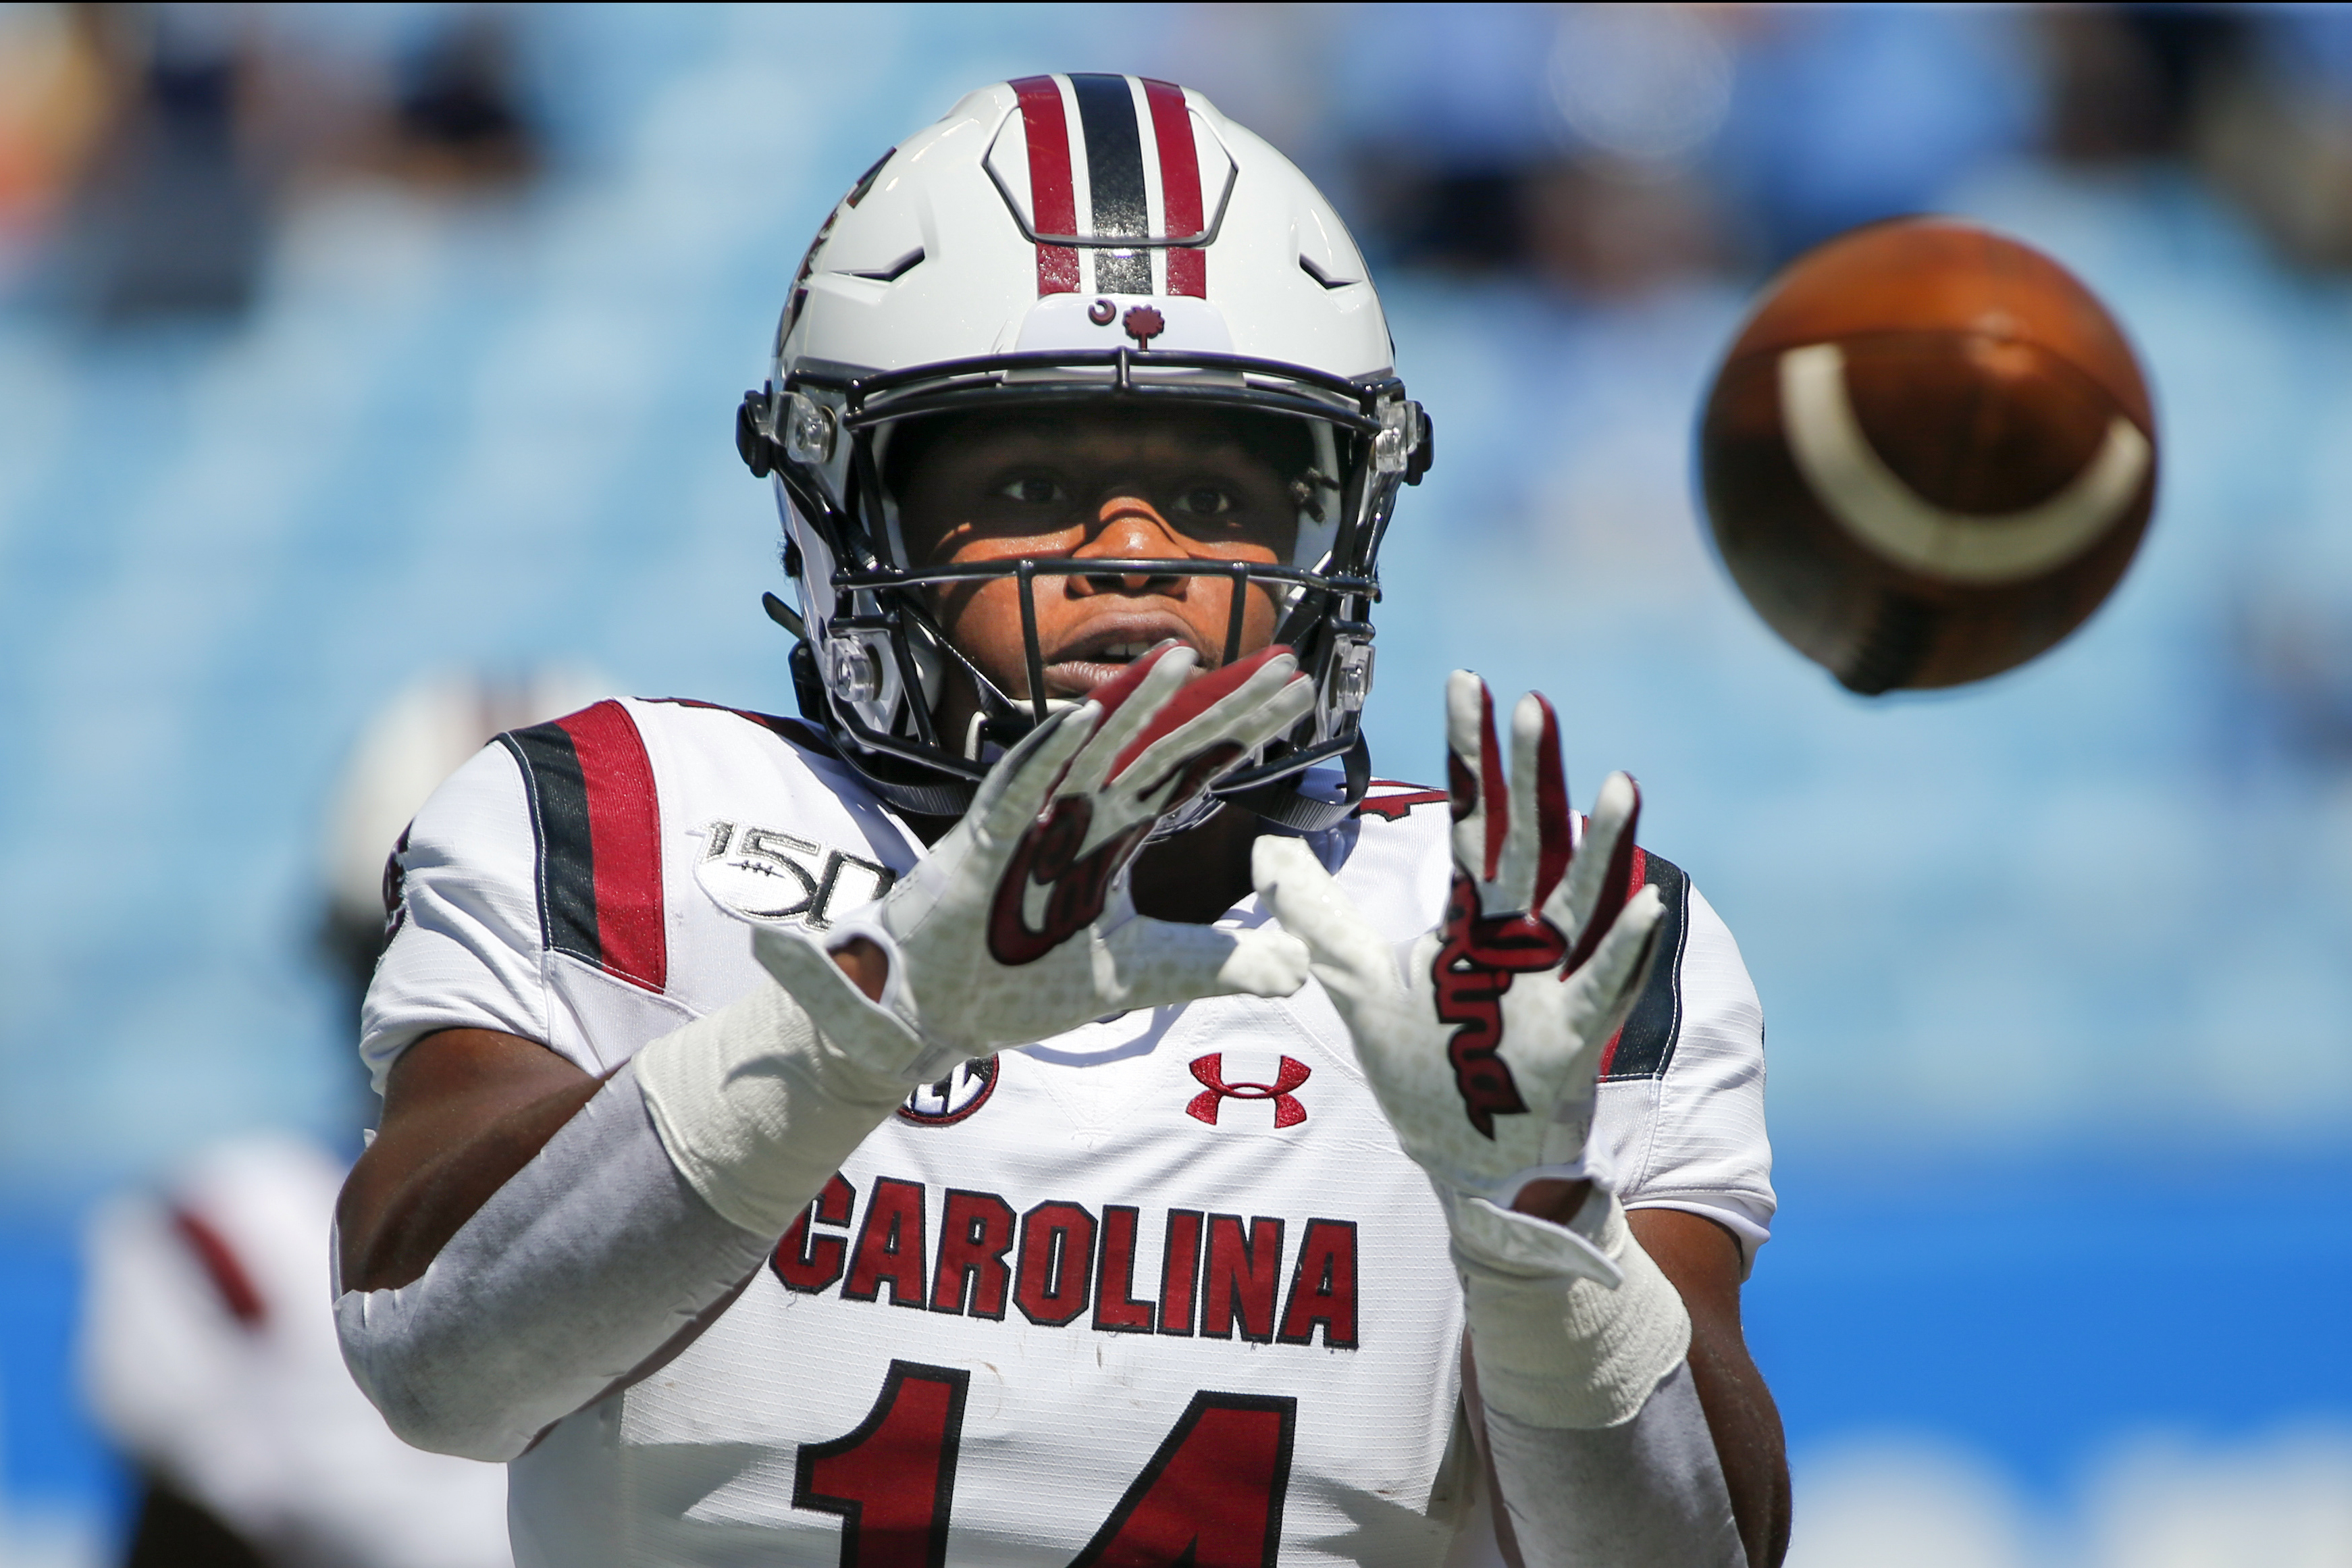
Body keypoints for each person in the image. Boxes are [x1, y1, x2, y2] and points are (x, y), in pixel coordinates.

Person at [332, 76, 1788, 1567]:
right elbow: (435, 1362)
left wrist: (1537, 1231)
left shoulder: (1514, 938)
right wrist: (854, 1026)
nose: (1132, 558)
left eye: (1215, 490)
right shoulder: (632, 827)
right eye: (1031, 483)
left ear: (1334, 517)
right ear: (847, 504)